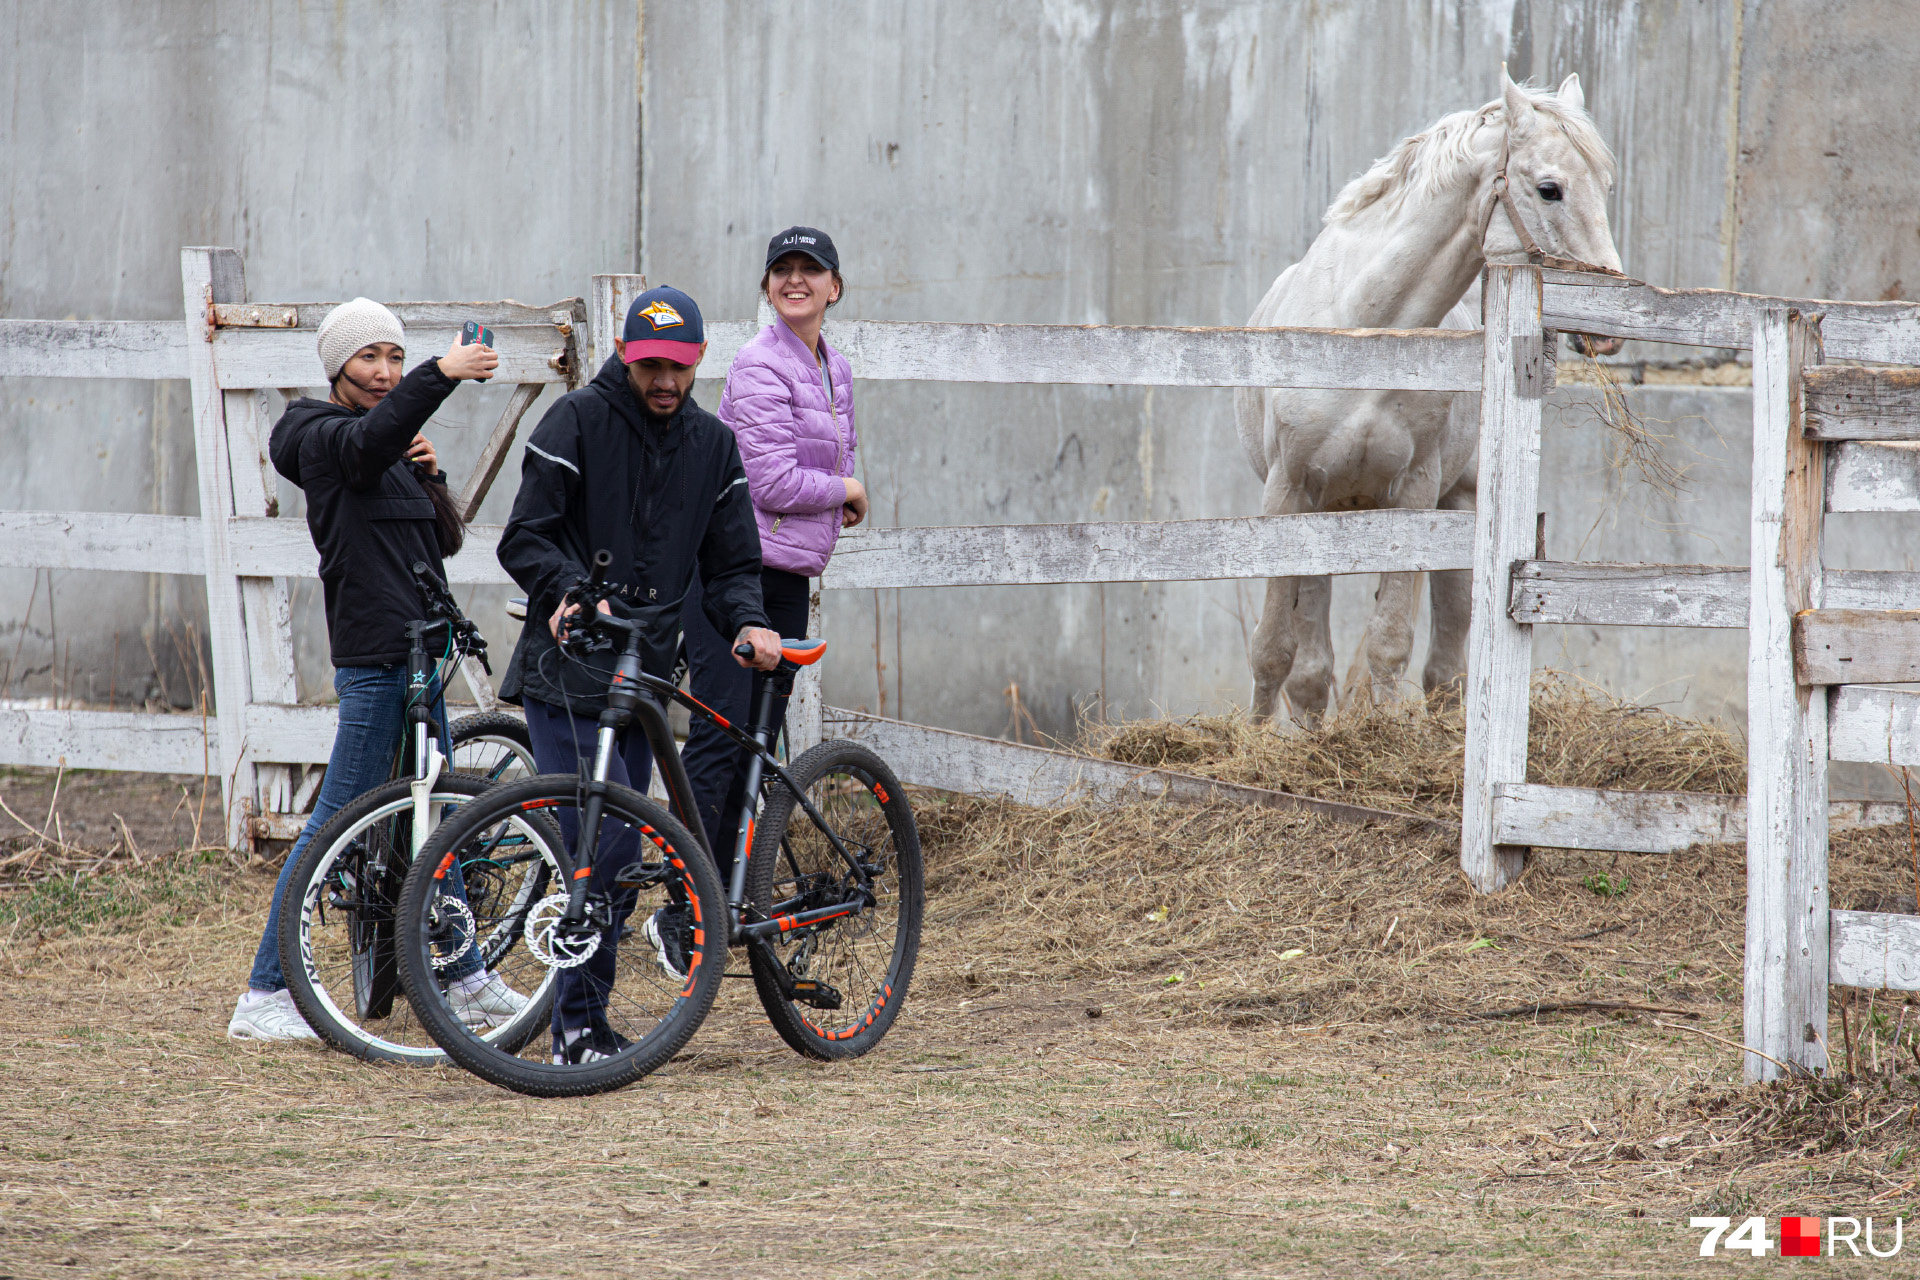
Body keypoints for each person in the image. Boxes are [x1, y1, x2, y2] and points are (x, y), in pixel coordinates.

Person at [496, 284, 781, 1065]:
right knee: (598, 845)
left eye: (679, 368)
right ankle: (574, 1032)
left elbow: (732, 566)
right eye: (651, 364)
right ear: (624, 353)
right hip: (567, 670)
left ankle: (588, 1024)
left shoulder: (713, 446)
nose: (664, 382)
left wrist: (750, 622)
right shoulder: (577, 422)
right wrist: (563, 592)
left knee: (617, 853)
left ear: (698, 364)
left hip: (645, 678)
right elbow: (524, 537)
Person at [229, 298, 522, 1041]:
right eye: (370, 359)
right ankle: (265, 996)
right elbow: (361, 449)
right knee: (334, 821)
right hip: (376, 658)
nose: (386, 373)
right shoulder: (315, 434)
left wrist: (427, 473)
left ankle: (466, 982)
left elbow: (442, 544)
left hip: (421, 656)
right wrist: (442, 373)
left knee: (439, 815)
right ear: (337, 367)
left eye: (396, 358)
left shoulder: (384, 445)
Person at [680, 226, 864, 870]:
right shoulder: (761, 363)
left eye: (809, 269)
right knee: (721, 732)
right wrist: (845, 489)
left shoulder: (833, 368)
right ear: (766, 287)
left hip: (784, 575)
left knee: (753, 744)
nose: (795, 279)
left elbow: (838, 449)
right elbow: (771, 480)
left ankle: (722, 892)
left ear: (833, 288)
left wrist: (840, 490)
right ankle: (684, 902)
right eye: (781, 269)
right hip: (732, 572)